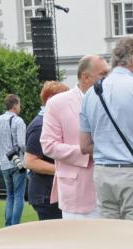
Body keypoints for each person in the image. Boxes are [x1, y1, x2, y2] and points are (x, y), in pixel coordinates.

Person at [79, 35, 133, 221]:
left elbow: (84, 146)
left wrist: (110, 146)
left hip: (103, 173)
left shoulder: (91, 93)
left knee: (109, 236)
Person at [42, 53, 107, 220]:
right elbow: (48, 145)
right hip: (77, 193)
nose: (108, 79)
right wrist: (87, 152)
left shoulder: (112, 100)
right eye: (103, 75)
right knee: (79, 244)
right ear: (85, 77)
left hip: (111, 190)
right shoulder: (57, 103)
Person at [25, 81, 67, 221]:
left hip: (50, 193)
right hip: (46, 195)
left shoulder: (48, 122)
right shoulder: (40, 126)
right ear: (51, 100)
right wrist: (64, 170)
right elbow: (31, 162)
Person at [0, 93, 29, 226]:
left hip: (4, 164)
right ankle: (15, 226)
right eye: (19, 104)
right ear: (15, 105)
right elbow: (23, 144)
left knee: (10, 195)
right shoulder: (18, 121)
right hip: (18, 163)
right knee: (19, 196)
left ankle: (8, 225)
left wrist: (3, 153)